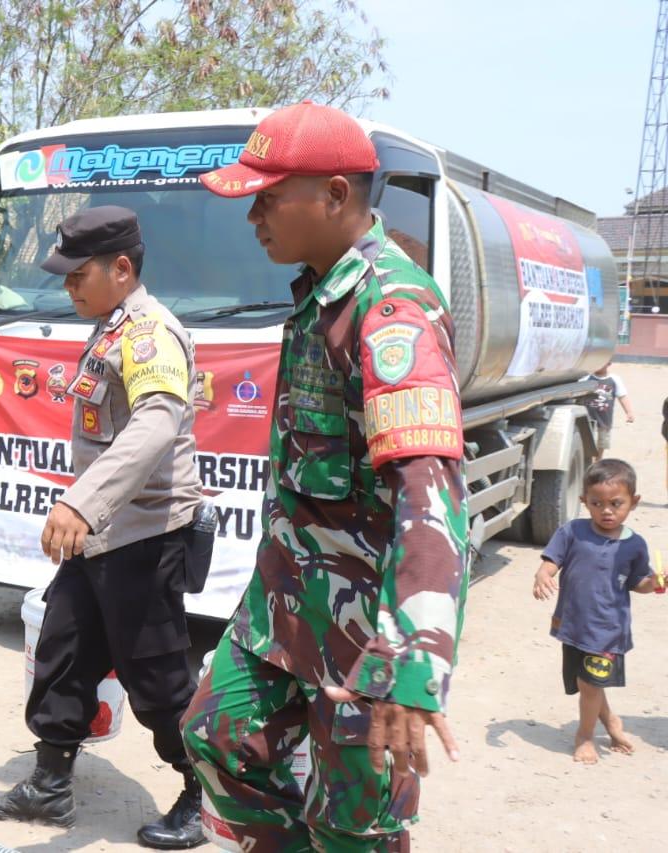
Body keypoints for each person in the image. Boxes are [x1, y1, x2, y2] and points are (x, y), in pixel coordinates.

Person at [182, 102, 469, 851]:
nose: (253, 218)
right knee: (216, 735)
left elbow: (430, 496)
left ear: (336, 194)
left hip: (360, 630)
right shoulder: (320, 291)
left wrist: (410, 662)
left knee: (353, 824)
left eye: (268, 198)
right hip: (284, 609)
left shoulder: (391, 310)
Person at [0, 207, 215, 849]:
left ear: (122, 268)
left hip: (144, 538)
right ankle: (50, 786)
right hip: (100, 535)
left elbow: (156, 422)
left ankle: (205, 795)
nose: (68, 286)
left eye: (78, 274)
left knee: (157, 680)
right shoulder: (112, 327)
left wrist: (82, 503)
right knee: (64, 653)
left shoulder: (150, 334)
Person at [532, 459, 663, 764]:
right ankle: (612, 721)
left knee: (590, 684)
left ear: (634, 502)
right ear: (584, 501)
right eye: (596, 503)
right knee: (585, 682)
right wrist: (543, 574)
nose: (606, 511)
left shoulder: (635, 545)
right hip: (572, 624)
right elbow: (552, 560)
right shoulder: (572, 531)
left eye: (616, 503)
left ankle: (585, 736)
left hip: (607, 629)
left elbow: (638, 582)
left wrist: (655, 583)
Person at [585, 361, 634, 459]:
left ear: (608, 363)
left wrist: (629, 412)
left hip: (605, 418)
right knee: (587, 440)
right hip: (589, 417)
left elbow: (622, 396)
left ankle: (598, 459)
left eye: (602, 362)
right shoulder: (586, 378)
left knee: (603, 442)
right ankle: (588, 459)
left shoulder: (614, 379)